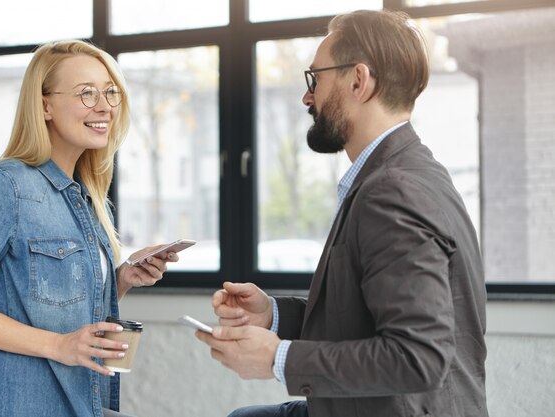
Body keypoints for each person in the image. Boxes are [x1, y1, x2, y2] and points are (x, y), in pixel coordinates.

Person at [196, 9, 488, 417]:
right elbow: (362, 317)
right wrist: (272, 315)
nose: (307, 96)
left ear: (358, 81)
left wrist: (278, 359)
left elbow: (418, 356)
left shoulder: (392, 191)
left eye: (315, 78)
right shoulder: (403, 172)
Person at [0, 40, 177, 417]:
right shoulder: (6, 186)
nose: (105, 106)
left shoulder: (84, 195)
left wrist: (122, 279)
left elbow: (61, 308)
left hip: (81, 404)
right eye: (86, 93)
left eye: (110, 92)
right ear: (44, 105)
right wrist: (58, 345)